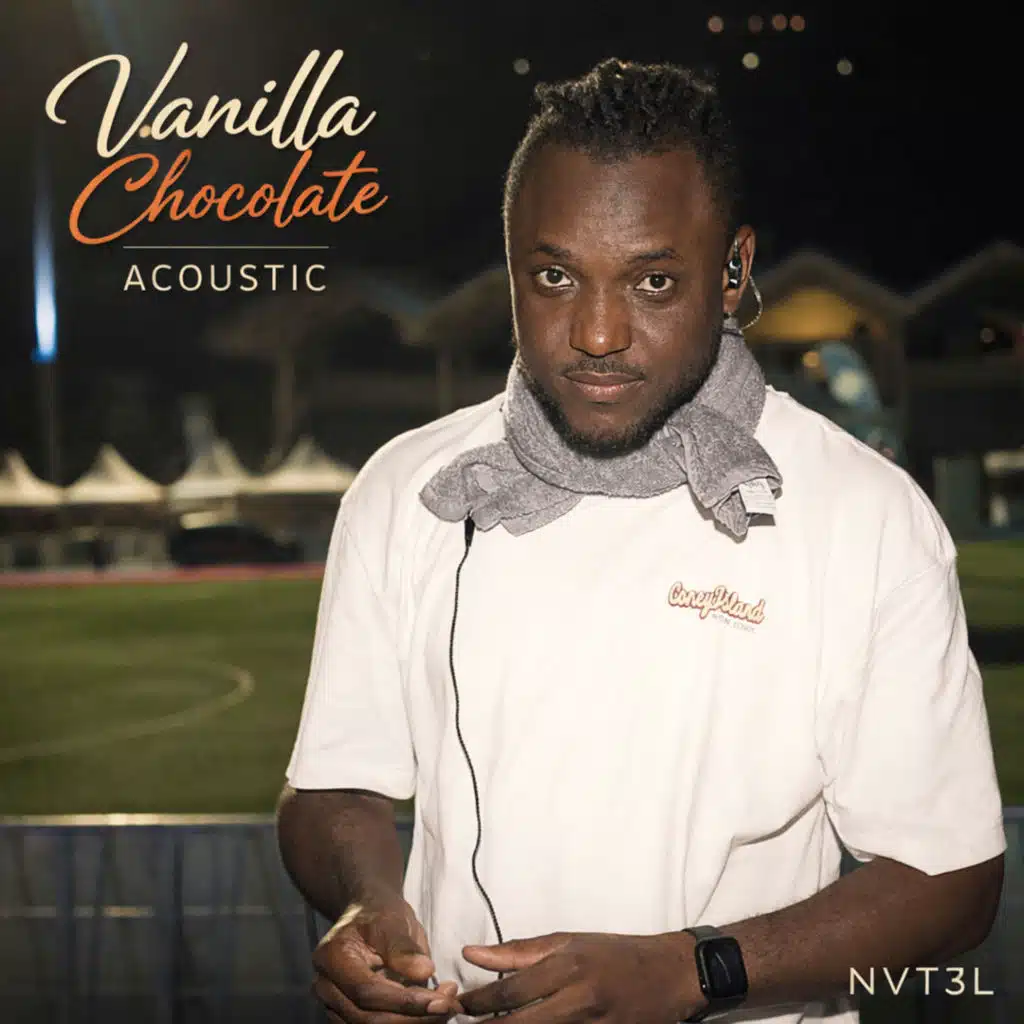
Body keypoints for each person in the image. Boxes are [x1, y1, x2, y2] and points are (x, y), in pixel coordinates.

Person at [277, 58, 1006, 1023]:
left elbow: (953, 883)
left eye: (654, 281)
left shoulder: (867, 515)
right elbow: (333, 787)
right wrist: (364, 905)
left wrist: (691, 972)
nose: (597, 332)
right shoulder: (403, 488)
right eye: (553, 277)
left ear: (733, 271)